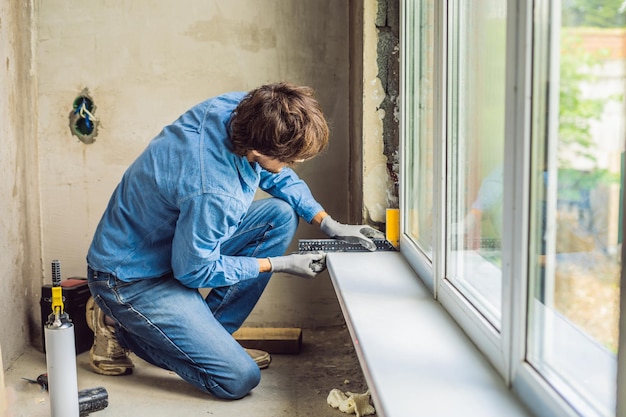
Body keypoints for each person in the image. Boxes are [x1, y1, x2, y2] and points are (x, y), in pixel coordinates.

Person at [85, 82, 382, 400]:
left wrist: (330, 224)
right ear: (259, 151)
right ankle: (118, 323)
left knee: (279, 216)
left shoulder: (243, 110)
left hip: (174, 244)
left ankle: (207, 346)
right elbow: (194, 272)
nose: (291, 166)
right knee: (238, 378)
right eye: (289, 160)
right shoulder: (215, 190)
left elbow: (273, 172)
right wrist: (278, 265)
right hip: (131, 278)